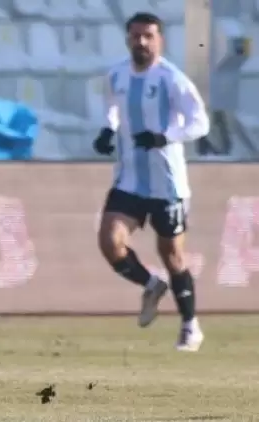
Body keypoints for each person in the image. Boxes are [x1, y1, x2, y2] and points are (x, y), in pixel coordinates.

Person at [93, 12, 209, 352]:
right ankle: (151, 283)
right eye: (136, 36)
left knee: (171, 253)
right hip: (129, 179)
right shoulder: (116, 74)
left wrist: (165, 136)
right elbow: (112, 107)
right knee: (109, 240)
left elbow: (199, 122)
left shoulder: (173, 79)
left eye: (148, 36)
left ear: (160, 40)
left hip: (167, 184)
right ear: (128, 39)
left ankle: (191, 326)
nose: (141, 42)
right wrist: (107, 129)